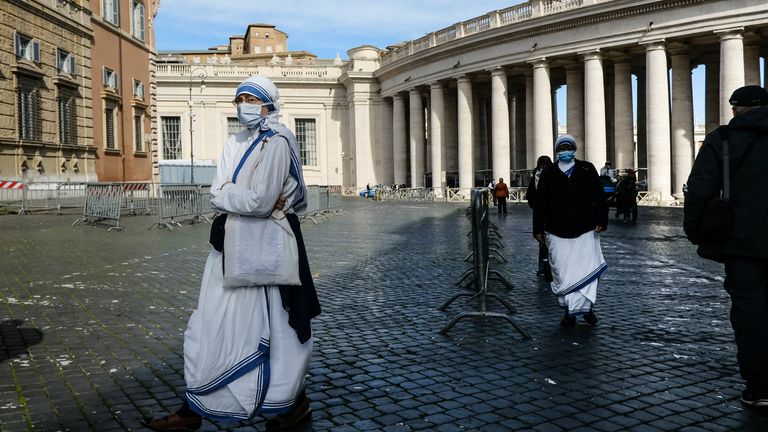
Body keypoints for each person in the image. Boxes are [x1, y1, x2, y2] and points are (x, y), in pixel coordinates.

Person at [143, 76, 322, 431]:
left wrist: (231, 195)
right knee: (214, 325)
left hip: (267, 254)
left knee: (277, 331)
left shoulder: (279, 140)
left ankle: (288, 403)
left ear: (268, 103)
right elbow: (221, 191)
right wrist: (235, 195)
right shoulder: (233, 142)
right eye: (239, 98)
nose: (244, 105)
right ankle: (197, 404)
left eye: (251, 98)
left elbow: (259, 200)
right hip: (230, 249)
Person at [683, 84, 768, 409]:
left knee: (750, 312)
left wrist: (694, 231)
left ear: (736, 109)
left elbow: (700, 188)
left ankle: (760, 387)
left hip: (741, 241)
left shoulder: (723, 140)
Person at [533, 134, 608, 326]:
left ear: (574, 149)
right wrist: (538, 228)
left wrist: (602, 220)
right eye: (562, 148)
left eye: (569, 148)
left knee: (586, 271)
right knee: (563, 273)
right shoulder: (549, 173)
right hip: (556, 230)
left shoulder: (587, 168)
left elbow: (599, 197)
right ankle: (569, 311)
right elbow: (540, 203)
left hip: (586, 229)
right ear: (557, 151)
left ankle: (587, 309)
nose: (565, 151)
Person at [527, 156, 553, 277]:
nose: (542, 167)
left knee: (550, 242)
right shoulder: (535, 177)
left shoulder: (554, 175)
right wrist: (537, 206)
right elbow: (530, 195)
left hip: (552, 215)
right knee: (542, 241)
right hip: (541, 214)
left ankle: (548, 266)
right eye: (541, 165)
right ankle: (543, 267)